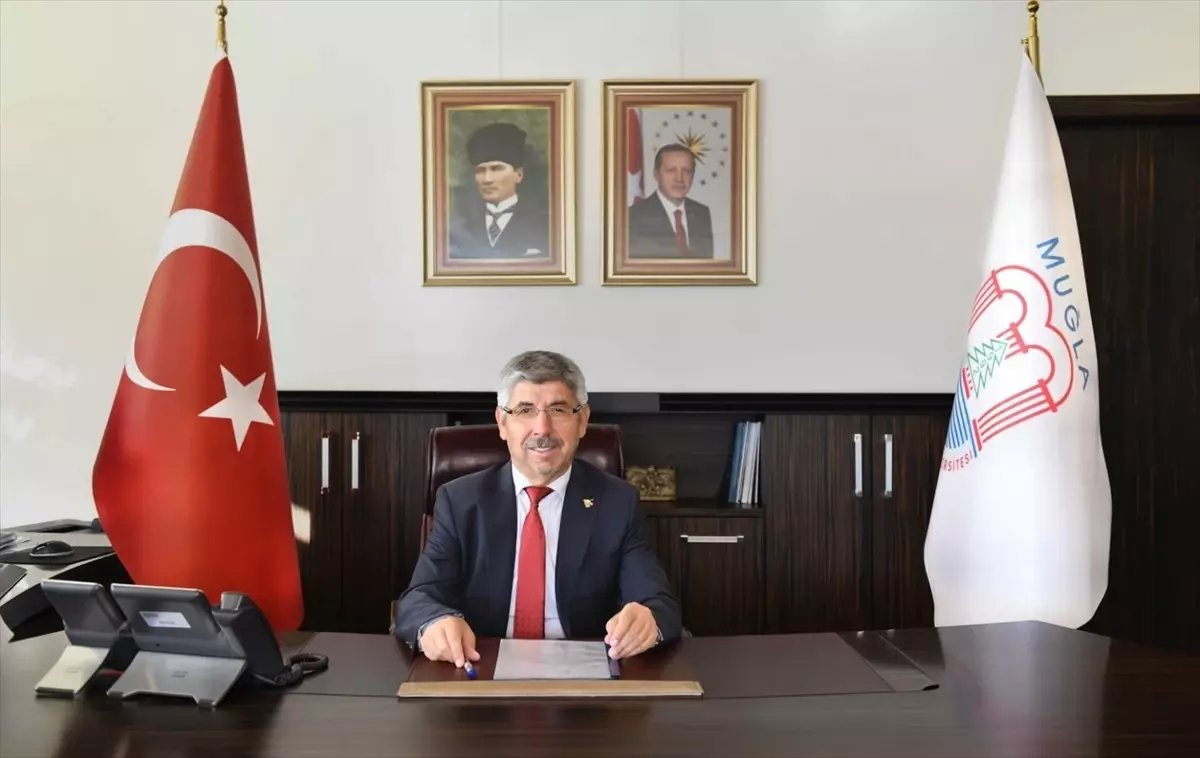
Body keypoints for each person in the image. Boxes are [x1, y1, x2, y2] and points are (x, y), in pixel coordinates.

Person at [394, 350, 681, 668]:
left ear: (582, 420)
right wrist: (434, 622)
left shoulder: (617, 502)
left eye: (558, 410)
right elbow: (418, 599)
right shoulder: (460, 501)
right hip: (481, 665)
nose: (542, 429)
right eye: (525, 410)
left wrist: (646, 619)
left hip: (585, 672)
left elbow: (659, 603)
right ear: (502, 422)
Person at [448, 121, 550, 260]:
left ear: (518, 175)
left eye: (496, 169)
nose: (487, 179)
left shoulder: (544, 225)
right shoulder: (461, 229)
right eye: (480, 170)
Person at [627, 144, 715, 259]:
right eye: (671, 170)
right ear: (656, 174)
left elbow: (706, 265)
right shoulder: (633, 216)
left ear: (693, 176)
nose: (679, 178)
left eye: (686, 171)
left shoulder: (701, 213)